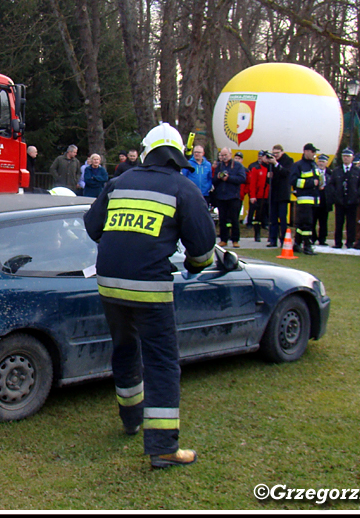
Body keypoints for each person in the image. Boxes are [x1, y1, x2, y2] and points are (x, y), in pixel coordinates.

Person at [84, 123, 215, 469]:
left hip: (109, 283)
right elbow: (203, 250)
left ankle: (131, 419)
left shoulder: (118, 183)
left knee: (125, 347)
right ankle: (163, 448)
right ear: (177, 156)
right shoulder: (184, 189)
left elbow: (91, 227)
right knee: (161, 362)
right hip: (150, 289)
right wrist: (192, 264)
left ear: (146, 151)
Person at [210, 147, 247, 248]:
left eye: (225, 155)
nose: (224, 157)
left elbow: (242, 178)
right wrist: (218, 177)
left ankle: (235, 239)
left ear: (230, 155)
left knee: (234, 219)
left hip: (233, 196)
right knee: (222, 219)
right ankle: (223, 239)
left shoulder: (238, 166)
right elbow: (213, 181)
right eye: (222, 155)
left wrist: (228, 178)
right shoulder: (219, 166)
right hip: (221, 196)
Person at [330, 148, 360, 249]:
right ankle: (338, 242)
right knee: (339, 222)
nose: (346, 158)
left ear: (352, 158)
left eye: (348, 156)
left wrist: (357, 194)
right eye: (344, 156)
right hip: (340, 201)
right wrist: (335, 195)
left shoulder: (358, 170)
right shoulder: (337, 170)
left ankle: (350, 242)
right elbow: (332, 184)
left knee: (351, 223)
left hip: (352, 201)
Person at [289, 143, 321, 255]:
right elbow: (293, 181)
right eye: (312, 152)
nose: (314, 154)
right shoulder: (298, 165)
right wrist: (311, 183)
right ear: (306, 151)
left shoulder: (313, 164)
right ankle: (307, 246)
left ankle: (297, 244)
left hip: (314, 198)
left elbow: (317, 179)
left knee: (302, 224)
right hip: (304, 199)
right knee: (307, 224)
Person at [264, 144, 294, 247]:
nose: (275, 155)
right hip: (273, 193)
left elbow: (286, 173)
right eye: (274, 153)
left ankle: (284, 239)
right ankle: (273, 239)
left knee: (282, 218)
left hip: (283, 194)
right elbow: (269, 178)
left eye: (277, 153)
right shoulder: (271, 163)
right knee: (272, 218)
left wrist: (276, 164)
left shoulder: (288, 161)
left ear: (282, 152)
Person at [246, 151, 270, 242]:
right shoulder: (256, 168)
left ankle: (269, 234)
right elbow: (252, 183)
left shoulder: (271, 169)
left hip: (269, 196)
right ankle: (257, 233)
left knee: (267, 215)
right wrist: (252, 195)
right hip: (259, 196)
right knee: (258, 216)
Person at [312, 154, 332, 246]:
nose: (321, 163)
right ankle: (312, 238)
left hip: (325, 200)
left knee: (323, 221)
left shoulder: (330, 173)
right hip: (315, 199)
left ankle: (322, 239)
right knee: (312, 220)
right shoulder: (313, 172)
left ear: (327, 163)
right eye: (320, 161)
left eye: (323, 162)